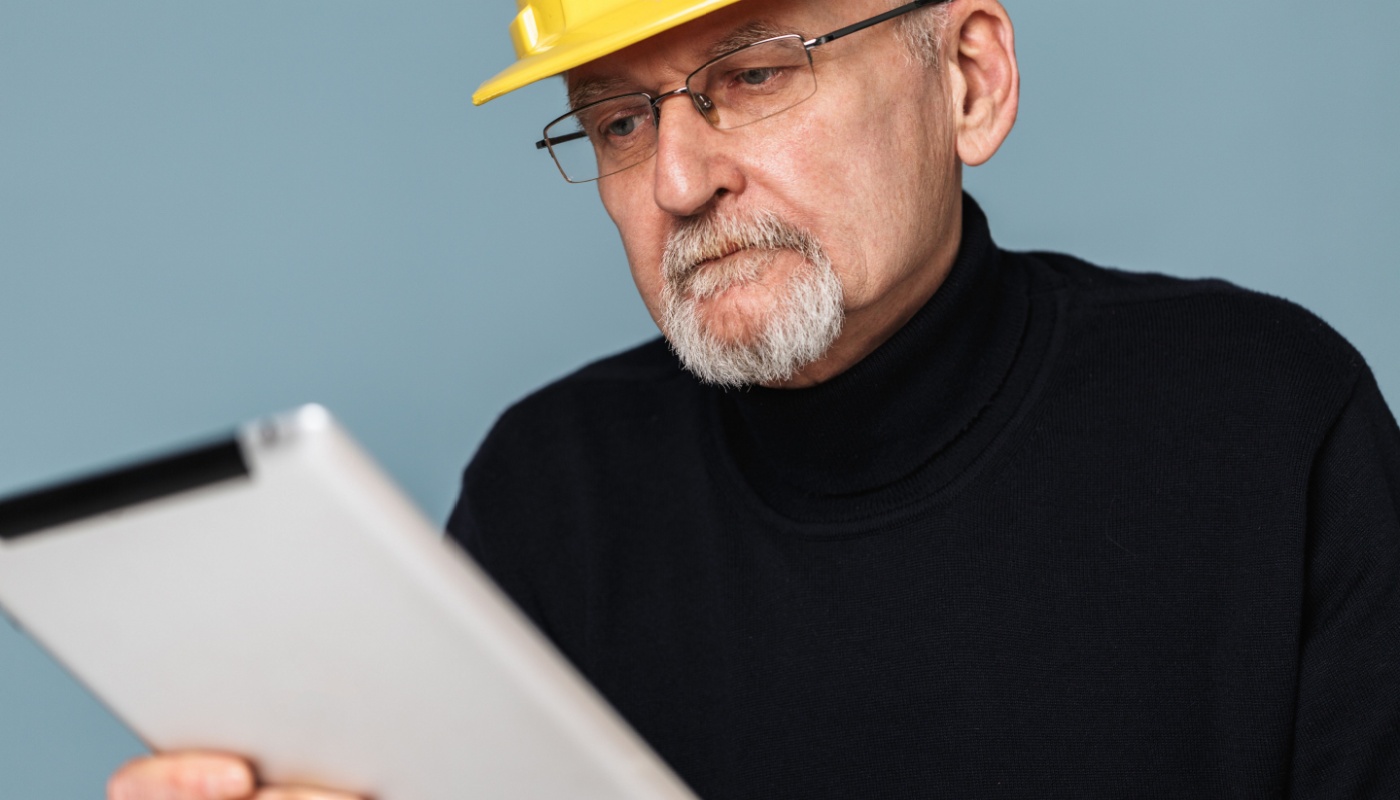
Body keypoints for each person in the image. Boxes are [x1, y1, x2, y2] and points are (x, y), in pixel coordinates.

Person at [108, 0, 1400, 798]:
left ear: (969, 80)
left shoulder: (1265, 418)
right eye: (615, 120)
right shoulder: (549, 496)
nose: (677, 177)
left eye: (756, 73)